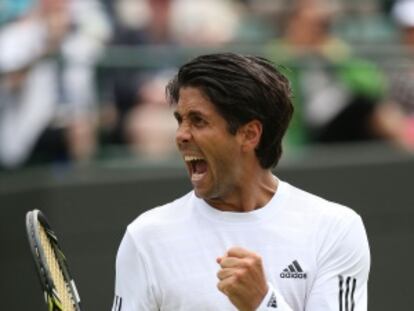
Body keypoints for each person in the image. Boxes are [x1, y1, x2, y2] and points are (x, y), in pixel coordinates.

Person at [112, 53, 370, 311]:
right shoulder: (145, 237)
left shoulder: (335, 229)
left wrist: (262, 303)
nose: (180, 135)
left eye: (198, 120)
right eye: (180, 120)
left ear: (249, 134)